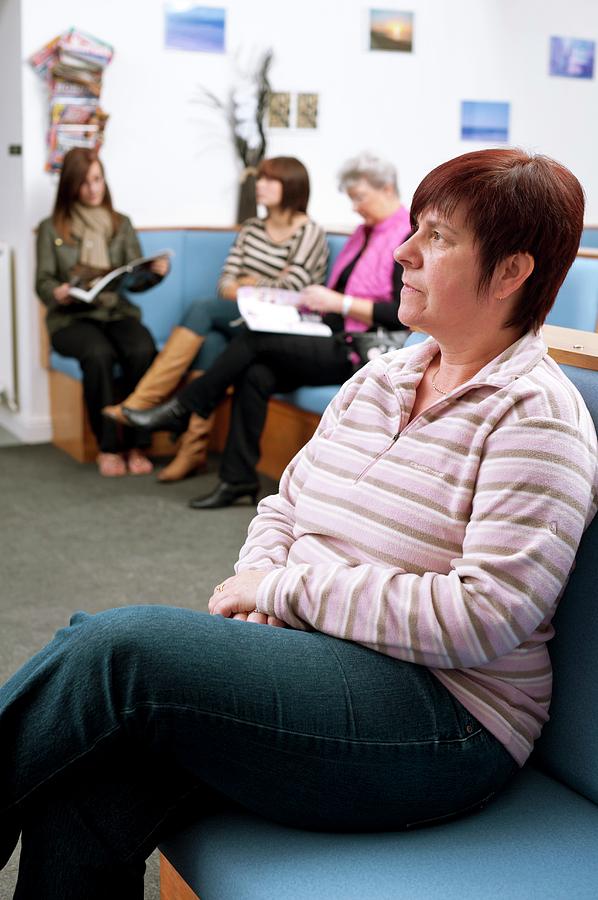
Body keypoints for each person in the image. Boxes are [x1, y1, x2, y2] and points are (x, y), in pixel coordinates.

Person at [2, 148, 597, 898]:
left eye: (438, 238)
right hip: (318, 660)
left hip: (446, 717)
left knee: (118, 651)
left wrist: (285, 592)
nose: (405, 253)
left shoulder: (536, 417)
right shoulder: (385, 376)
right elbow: (285, 505)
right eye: (413, 229)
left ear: (512, 272)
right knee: (85, 792)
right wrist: (261, 600)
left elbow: (486, 615)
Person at [119, 152, 412, 505]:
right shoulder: (363, 233)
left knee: (255, 340)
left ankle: (185, 407)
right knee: (257, 372)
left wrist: (338, 303)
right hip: (330, 336)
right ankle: (237, 479)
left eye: (360, 197)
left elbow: (400, 312)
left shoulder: (405, 234)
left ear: (388, 188)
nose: (355, 207)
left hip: (362, 350)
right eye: (351, 199)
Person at [103, 156, 329, 482]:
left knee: (203, 309)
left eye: (270, 180)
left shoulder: (309, 232)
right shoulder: (252, 229)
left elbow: (291, 288)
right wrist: (255, 283)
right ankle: (192, 451)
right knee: (211, 339)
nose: (260, 185)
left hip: (283, 321)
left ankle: (143, 400)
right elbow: (224, 283)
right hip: (245, 315)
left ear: (291, 186)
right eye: (260, 178)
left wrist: (248, 282)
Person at [36, 147, 169, 477]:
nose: (93, 189)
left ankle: (138, 443)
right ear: (70, 187)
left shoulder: (121, 224)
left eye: (97, 180)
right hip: (71, 318)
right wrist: (58, 292)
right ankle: (108, 446)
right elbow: (42, 281)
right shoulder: (52, 227)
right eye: (84, 183)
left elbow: (133, 281)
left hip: (114, 311)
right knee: (98, 354)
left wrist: (153, 274)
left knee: (141, 347)